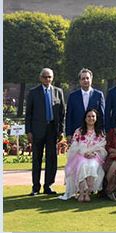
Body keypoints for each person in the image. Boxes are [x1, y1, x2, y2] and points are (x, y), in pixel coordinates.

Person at [25, 68, 66, 196]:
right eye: (45, 77)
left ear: (52, 78)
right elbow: (28, 114)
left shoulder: (58, 92)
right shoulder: (33, 93)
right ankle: (35, 187)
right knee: (36, 159)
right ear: (40, 78)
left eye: (49, 77)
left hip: (52, 130)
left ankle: (48, 186)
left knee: (52, 159)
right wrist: (29, 131)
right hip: (37, 130)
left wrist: (61, 130)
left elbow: (62, 113)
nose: (47, 79)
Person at [59, 108, 107, 202]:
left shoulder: (100, 132)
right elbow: (74, 146)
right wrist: (84, 152)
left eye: (93, 116)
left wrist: (94, 153)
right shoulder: (79, 131)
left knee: (92, 166)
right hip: (80, 156)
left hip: (94, 157)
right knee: (83, 165)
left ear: (96, 118)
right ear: (85, 118)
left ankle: (88, 193)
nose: (91, 118)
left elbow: (102, 147)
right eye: (88, 116)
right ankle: (81, 192)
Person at [66, 68, 105, 140]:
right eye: (83, 78)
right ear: (80, 81)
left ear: (91, 79)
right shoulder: (73, 96)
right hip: (77, 133)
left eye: (87, 78)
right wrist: (68, 133)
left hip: (94, 134)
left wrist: (102, 131)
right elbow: (69, 116)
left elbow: (102, 115)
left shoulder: (98, 95)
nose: (85, 80)